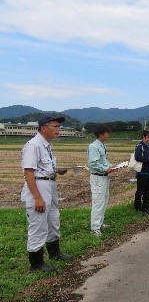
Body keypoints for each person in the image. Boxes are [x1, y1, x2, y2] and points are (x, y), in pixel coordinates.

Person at [20, 115, 72, 271]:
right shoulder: (33, 145)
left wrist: (56, 170)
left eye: (58, 126)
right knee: (38, 224)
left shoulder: (46, 145)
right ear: (43, 127)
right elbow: (29, 173)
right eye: (55, 126)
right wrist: (37, 198)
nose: (58, 129)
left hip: (49, 184)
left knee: (53, 220)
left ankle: (55, 252)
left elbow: (43, 167)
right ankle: (36, 263)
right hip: (39, 186)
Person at [87, 124, 115, 236]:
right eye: (107, 133)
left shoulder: (102, 146)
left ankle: (100, 223)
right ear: (101, 134)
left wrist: (112, 167)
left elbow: (104, 161)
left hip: (104, 177)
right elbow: (93, 163)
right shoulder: (93, 146)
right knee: (98, 202)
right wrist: (106, 169)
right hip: (97, 177)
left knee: (104, 200)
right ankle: (94, 228)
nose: (108, 135)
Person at [134, 129, 149, 213]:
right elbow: (138, 157)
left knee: (148, 190)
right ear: (144, 136)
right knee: (140, 190)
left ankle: (146, 206)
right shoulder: (139, 146)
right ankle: (138, 207)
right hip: (142, 172)